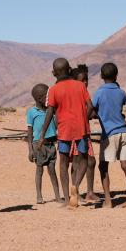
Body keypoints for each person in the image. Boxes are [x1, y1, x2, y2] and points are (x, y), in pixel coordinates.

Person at [38, 58, 93, 208]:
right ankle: (76, 185)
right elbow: (90, 106)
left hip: (64, 130)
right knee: (83, 160)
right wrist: (84, 119)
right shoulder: (80, 86)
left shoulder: (53, 90)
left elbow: (49, 111)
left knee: (63, 163)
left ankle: (68, 200)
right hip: (81, 129)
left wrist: (42, 135)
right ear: (69, 70)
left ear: (54, 73)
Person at [93, 63, 126, 208]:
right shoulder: (121, 92)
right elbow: (122, 105)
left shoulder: (99, 93)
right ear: (116, 76)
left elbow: (93, 109)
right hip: (124, 132)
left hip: (109, 133)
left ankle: (107, 200)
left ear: (101, 76)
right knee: (125, 165)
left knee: (103, 166)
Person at [26, 83, 62, 204]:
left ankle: (57, 196)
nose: (49, 98)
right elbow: (29, 131)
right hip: (39, 145)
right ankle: (39, 196)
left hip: (51, 144)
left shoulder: (51, 110)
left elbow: (56, 124)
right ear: (40, 98)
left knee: (52, 170)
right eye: (47, 96)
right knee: (39, 170)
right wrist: (30, 149)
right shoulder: (31, 112)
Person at [69, 65, 100, 202]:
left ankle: (90, 191)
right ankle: (75, 191)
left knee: (91, 161)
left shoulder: (85, 95)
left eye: (86, 79)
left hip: (85, 133)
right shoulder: (75, 95)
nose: (85, 83)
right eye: (82, 80)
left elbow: (91, 111)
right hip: (76, 133)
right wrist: (87, 115)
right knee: (77, 162)